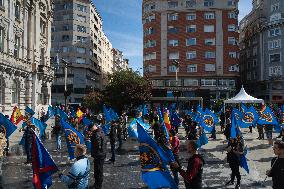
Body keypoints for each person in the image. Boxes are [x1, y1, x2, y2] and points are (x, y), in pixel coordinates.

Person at [90, 125, 107, 189]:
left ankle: (98, 185)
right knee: (99, 170)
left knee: (98, 171)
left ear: (92, 128)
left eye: (90, 129)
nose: (90, 131)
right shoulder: (101, 132)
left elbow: (98, 145)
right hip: (102, 154)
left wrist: (91, 137)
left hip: (98, 155)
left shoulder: (96, 134)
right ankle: (97, 184)